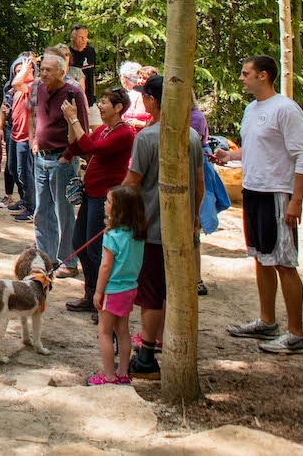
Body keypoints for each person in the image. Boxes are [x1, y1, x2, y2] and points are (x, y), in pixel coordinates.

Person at [217, 55, 303, 355]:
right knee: (261, 257)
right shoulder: (251, 109)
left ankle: (296, 333)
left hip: (277, 194)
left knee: (284, 262)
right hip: (253, 191)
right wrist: (231, 157)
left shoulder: (286, 109)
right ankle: (267, 320)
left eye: (246, 73)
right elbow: (256, 148)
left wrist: (296, 201)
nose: (241, 78)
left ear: (263, 76)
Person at [122, 73, 205, 379]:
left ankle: (146, 356)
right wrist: (193, 219)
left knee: (151, 295)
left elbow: (131, 184)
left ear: (153, 101)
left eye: (144, 94)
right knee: (173, 290)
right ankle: (165, 344)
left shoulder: (146, 139)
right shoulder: (192, 137)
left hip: (153, 230)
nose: (141, 98)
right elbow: (200, 183)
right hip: (182, 230)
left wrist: (115, 213)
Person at [64, 88, 139, 314]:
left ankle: (102, 301)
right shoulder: (105, 130)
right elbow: (76, 146)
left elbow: (92, 148)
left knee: (96, 248)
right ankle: (91, 293)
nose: (100, 106)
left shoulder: (124, 133)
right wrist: (70, 121)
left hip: (104, 197)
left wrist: (75, 118)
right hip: (91, 194)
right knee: (80, 243)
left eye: (105, 102)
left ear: (118, 108)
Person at [33, 53, 92, 275]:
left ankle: (67, 261)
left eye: (49, 70)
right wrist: (36, 140)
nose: (44, 74)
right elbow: (39, 116)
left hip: (62, 160)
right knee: (41, 210)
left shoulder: (73, 93)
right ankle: (44, 257)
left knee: (64, 212)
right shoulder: (39, 88)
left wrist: (67, 155)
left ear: (62, 72)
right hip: (41, 157)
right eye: (42, 69)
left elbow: (81, 130)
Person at [87, 184, 147, 386]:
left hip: (112, 290)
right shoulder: (136, 234)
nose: (105, 204)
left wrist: (98, 292)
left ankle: (109, 376)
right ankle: (122, 372)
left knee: (104, 332)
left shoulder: (112, 237)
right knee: (123, 331)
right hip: (130, 288)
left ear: (118, 209)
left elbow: (105, 267)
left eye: (109, 202)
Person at [3, 52, 37, 221]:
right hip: (15, 134)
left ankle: (32, 208)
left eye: (26, 69)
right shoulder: (15, 90)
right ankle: (25, 199)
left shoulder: (31, 86)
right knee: (13, 169)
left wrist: (26, 67)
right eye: (18, 70)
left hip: (25, 136)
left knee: (25, 173)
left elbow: (17, 82)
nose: (22, 72)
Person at [119, 61, 151, 126]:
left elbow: (159, 124)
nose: (141, 81)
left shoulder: (153, 98)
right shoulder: (128, 96)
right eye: (139, 77)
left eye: (144, 78)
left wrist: (140, 123)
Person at [69, 24, 97, 94]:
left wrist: (94, 95)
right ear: (72, 37)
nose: (84, 40)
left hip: (90, 97)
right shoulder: (68, 54)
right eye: (80, 37)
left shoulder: (90, 51)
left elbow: (92, 74)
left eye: (85, 37)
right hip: (76, 96)